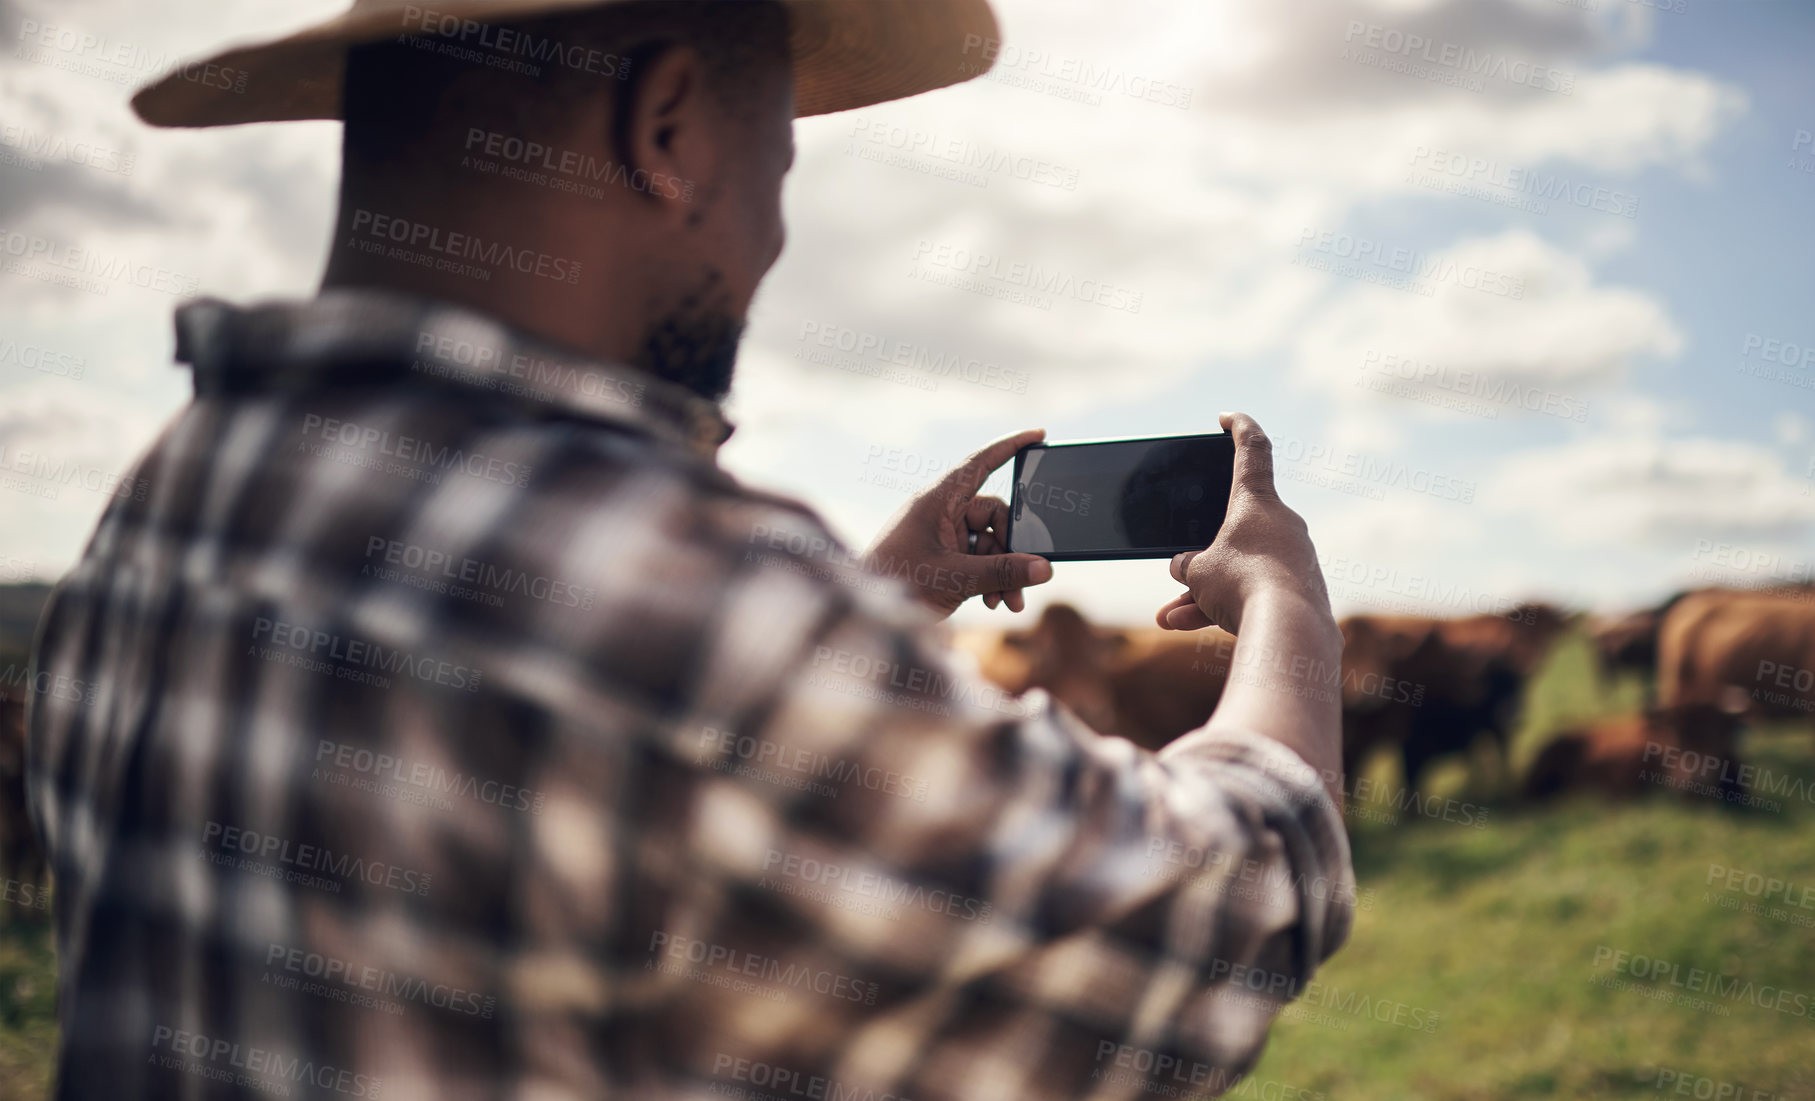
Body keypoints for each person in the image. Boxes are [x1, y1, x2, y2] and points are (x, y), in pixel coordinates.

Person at [27, 1, 1353, 1097]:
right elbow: (1224, 910)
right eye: (778, 161)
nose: (772, 234)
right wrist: (1285, 598)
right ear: (666, 128)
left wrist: (856, 609)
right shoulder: (679, 588)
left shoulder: (172, 497)